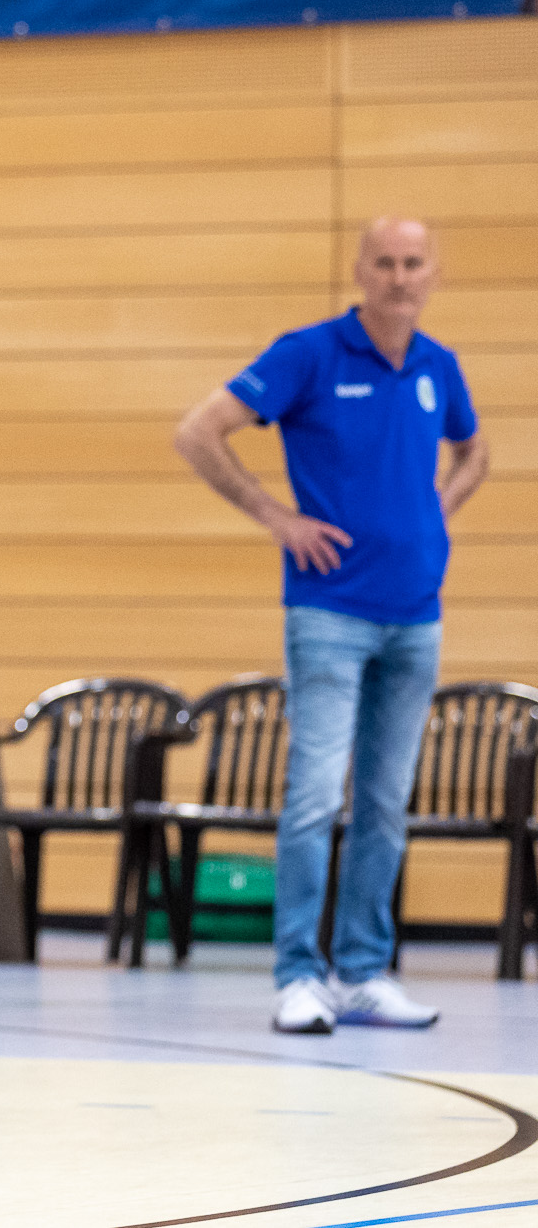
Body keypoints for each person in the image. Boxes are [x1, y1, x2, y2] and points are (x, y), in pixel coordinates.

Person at [174, 217, 489, 1035]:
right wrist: (275, 516)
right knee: (315, 796)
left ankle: (363, 970)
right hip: (329, 612)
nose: (399, 277)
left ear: (433, 273)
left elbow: (474, 453)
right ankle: (297, 975)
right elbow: (198, 431)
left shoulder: (438, 365)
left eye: (413, 262)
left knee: (385, 803)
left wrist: (436, 514)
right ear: (360, 270)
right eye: (384, 262)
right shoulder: (309, 354)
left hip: (416, 616)